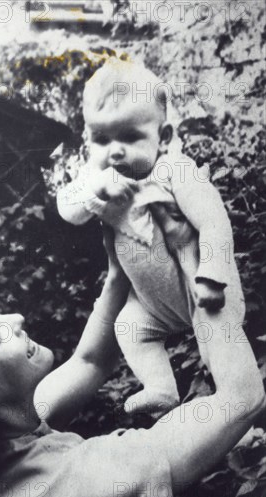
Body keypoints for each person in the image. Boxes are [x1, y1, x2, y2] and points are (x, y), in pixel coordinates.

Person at [0, 227, 264, 497]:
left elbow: (90, 361)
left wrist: (118, 273)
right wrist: (195, 264)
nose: (15, 319)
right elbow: (241, 399)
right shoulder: (72, 487)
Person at [57, 57, 246, 416]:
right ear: (87, 137)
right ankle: (160, 387)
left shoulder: (175, 170)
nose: (114, 151)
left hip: (201, 289)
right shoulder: (95, 177)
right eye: (101, 138)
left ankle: (234, 419)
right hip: (150, 304)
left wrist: (212, 275)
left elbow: (213, 221)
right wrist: (93, 192)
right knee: (129, 327)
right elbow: (68, 209)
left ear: (164, 137)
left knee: (216, 352)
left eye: (130, 137)